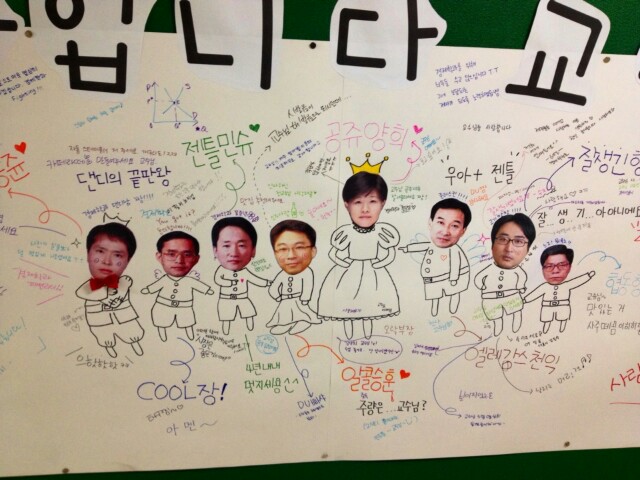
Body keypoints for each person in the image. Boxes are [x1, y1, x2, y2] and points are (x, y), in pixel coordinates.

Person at [317, 171, 400, 340]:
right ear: (346, 205)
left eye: (372, 201)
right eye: (357, 202)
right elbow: (334, 253)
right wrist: (344, 263)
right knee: (346, 306)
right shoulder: (344, 233)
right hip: (347, 274)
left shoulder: (383, 232)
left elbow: (390, 252)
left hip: (374, 274)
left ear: (383, 203)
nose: (365, 209)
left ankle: (367, 337)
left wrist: (380, 263)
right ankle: (348, 337)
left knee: (370, 306)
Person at [76, 222, 145, 358]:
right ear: (88, 254)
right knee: (104, 337)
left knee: (132, 332)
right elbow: (82, 293)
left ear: (128, 261)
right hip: (99, 321)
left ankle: (135, 343)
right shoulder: (88, 287)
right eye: (100, 251)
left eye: (117, 255)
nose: (107, 261)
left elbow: (125, 287)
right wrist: (104, 297)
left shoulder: (125, 282)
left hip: (125, 318)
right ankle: (109, 348)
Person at [399, 198, 471, 316]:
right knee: (434, 294)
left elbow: (455, 264)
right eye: (441, 223)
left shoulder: (454, 250)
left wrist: (453, 278)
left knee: (454, 292)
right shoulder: (431, 245)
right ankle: (434, 311)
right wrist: (407, 248)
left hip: (454, 279)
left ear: (463, 231)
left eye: (454, 226)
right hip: (433, 279)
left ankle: (453, 309)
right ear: (430, 223)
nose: (445, 232)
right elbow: (421, 246)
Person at [141, 231, 213, 342]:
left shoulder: (190, 281)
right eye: (171, 254)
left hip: (185, 308)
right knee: (161, 322)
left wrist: (207, 290)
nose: (179, 261)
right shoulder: (163, 280)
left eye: (187, 255)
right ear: (159, 257)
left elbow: (201, 286)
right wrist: (147, 290)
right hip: (162, 306)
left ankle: (191, 337)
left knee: (187, 323)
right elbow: (154, 287)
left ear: (196, 259)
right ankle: (162, 338)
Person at [474, 213, 536, 336]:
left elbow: (521, 280)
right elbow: (478, 280)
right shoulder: (486, 271)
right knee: (495, 317)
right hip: (490, 299)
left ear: (528, 249)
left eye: (518, 241)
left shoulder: (521, 273)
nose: (509, 249)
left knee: (515, 312)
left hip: (512, 297)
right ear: (492, 244)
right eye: (502, 239)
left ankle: (515, 329)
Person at [211, 217, 270, 335]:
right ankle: (225, 332)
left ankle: (251, 329)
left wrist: (267, 283)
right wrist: (227, 283)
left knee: (248, 312)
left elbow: (255, 279)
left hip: (243, 298)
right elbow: (218, 279)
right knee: (226, 316)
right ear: (215, 250)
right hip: (226, 299)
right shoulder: (220, 271)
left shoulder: (245, 273)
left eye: (242, 245)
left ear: (253, 250)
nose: (234, 253)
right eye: (226, 246)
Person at [267, 220, 322, 335]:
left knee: (302, 313)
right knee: (284, 315)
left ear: (313, 251)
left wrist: (305, 298)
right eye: (283, 249)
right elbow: (274, 287)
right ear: (275, 253)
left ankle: (304, 321)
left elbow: (307, 287)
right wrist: (276, 296)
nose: (291, 256)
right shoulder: (281, 275)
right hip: (285, 301)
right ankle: (285, 325)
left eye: (299, 247)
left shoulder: (308, 273)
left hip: (299, 300)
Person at [525, 244, 595, 333]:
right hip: (547, 307)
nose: (555, 271)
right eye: (549, 266)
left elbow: (577, 281)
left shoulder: (567, 285)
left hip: (563, 306)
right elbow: (534, 294)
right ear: (542, 269)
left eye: (562, 265)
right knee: (546, 319)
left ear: (569, 267)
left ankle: (562, 330)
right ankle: (545, 331)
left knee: (563, 318)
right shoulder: (544, 287)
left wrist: (588, 276)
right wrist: (524, 300)